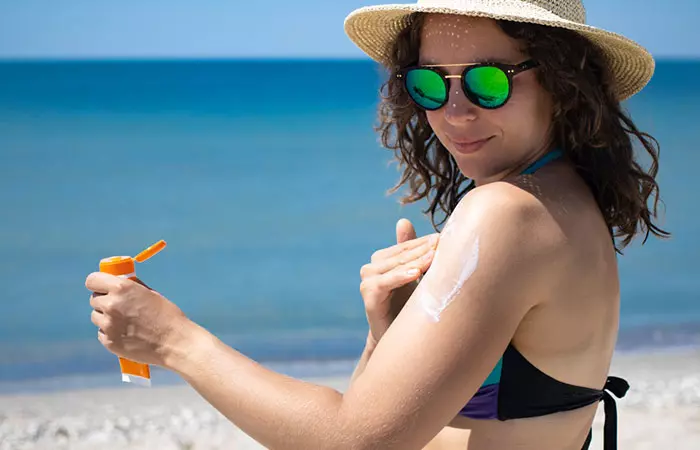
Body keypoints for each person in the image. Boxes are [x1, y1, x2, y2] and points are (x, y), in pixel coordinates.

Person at [85, 1, 669, 449]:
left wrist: (175, 342)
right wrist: (385, 334)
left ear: (563, 84)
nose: (455, 111)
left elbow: (357, 441)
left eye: (489, 81)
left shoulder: (506, 214)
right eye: (430, 83)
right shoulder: (564, 200)